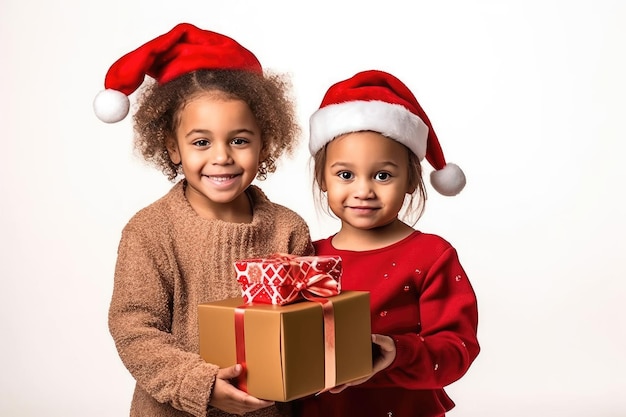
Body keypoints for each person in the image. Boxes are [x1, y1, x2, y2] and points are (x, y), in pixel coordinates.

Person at [94, 23, 313, 417]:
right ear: (171, 147)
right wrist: (201, 384)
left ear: (264, 142)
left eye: (240, 140)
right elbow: (134, 329)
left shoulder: (288, 229)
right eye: (201, 142)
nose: (222, 156)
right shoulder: (151, 231)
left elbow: (306, 324)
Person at [295, 70, 480, 417]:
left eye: (383, 175)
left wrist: (398, 352)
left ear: (410, 179)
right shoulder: (307, 255)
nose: (363, 191)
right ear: (323, 178)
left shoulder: (432, 256)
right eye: (345, 174)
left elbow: (457, 348)